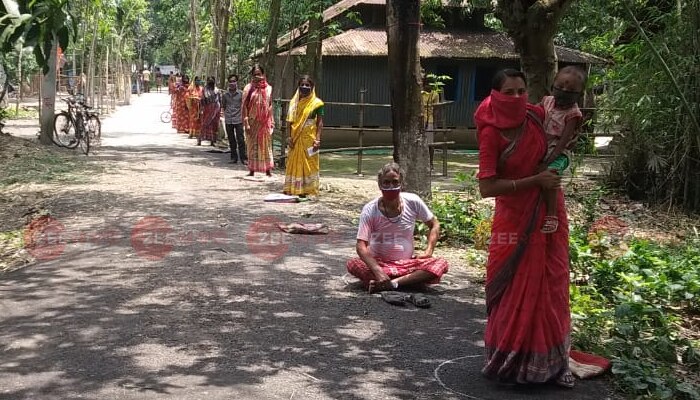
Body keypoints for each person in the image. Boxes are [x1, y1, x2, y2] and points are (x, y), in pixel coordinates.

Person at [474, 69, 573, 387]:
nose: (517, 98)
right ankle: (510, 359)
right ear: (494, 95)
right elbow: (487, 188)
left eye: (521, 91)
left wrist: (559, 165)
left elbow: (561, 141)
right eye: (509, 92)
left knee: (551, 283)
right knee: (515, 287)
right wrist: (535, 180)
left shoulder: (535, 116)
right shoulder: (491, 132)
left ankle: (553, 362)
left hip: (548, 211)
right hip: (514, 220)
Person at [346, 163, 448, 298]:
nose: (390, 187)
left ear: (401, 183)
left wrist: (428, 251)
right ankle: (408, 281)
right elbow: (361, 246)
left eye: (395, 182)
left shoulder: (413, 201)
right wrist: (377, 270)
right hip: (380, 263)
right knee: (353, 264)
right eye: (386, 182)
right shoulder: (370, 209)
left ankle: (392, 283)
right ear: (379, 185)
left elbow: (434, 224)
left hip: (407, 264)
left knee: (441, 264)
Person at [540, 66, 586, 233]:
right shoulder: (546, 101)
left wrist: (549, 161)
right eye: (560, 87)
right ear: (553, 85)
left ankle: (552, 215)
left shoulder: (573, 114)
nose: (564, 91)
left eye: (571, 90)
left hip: (559, 153)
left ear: (580, 94)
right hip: (541, 147)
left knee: (551, 174)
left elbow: (563, 143)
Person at [284, 75, 324, 197]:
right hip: (295, 138)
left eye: (307, 85)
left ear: (312, 87)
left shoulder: (317, 104)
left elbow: (320, 122)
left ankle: (308, 189)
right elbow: (289, 122)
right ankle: (294, 188)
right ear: (298, 87)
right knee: (293, 161)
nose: (304, 87)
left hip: (310, 138)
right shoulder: (294, 103)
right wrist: (289, 137)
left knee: (310, 162)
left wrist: (317, 139)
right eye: (302, 85)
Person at [242, 64, 274, 177]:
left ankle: (267, 170)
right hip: (252, 121)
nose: (257, 77)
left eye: (259, 74)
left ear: (263, 74)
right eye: (255, 74)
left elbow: (270, 105)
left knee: (265, 145)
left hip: (265, 122)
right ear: (252, 76)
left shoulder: (269, 88)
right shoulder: (248, 89)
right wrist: (246, 122)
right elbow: (245, 106)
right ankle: (252, 170)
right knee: (252, 145)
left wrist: (271, 120)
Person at [221, 74, 247, 165]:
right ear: (228, 83)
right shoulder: (225, 95)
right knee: (231, 139)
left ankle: (243, 158)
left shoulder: (241, 94)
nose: (232, 83)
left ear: (237, 82)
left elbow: (244, 106)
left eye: (234, 81)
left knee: (241, 139)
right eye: (230, 81)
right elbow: (223, 106)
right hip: (229, 119)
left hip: (239, 119)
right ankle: (233, 157)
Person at [422, 76, 439, 170]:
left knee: (430, 144)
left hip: (430, 120)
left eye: (430, 84)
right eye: (427, 84)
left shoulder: (435, 95)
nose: (428, 86)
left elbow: (436, 110)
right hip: (420, 120)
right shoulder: (420, 94)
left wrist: (436, 123)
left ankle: (431, 163)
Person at [199, 76, 221, 146]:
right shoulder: (204, 90)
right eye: (209, 80)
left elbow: (220, 100)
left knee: (214, 125)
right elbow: (202, 100)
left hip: (216, 110)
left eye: (212, 80)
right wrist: (201, 109)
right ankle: (200, 139)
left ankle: (212, 141)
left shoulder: (217, 90)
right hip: (207, 109)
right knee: (205, 124)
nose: (211, 81)